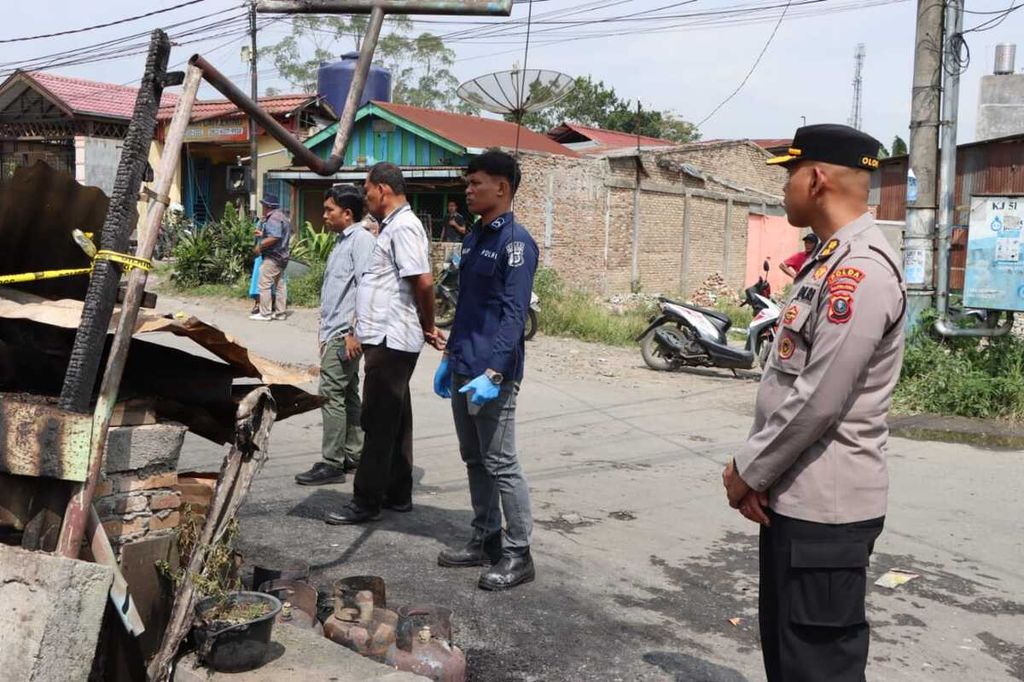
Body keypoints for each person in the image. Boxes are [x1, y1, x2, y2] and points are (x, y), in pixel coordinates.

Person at [721, 124, 906, 682]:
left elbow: (818, 399)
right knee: (790, 655)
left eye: (788, 175)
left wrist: (749, 471)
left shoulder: (860, 270)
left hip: (826, 511)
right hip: (797, 499)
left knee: (818, 666)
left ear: (817, 178)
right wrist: (766, 479)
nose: (783, 189)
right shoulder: (826, 261)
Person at [432, 150, 540, 591]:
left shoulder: (516, 242)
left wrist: (495, 373)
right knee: (474, 458)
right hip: (463, 364)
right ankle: (485, 538)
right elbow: (467, 307)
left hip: (492, 374)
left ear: (503, 187)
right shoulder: (475, 236)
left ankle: (519, 553)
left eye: (476, 183)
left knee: (501, 462)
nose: (468, 190)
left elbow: (515, 315)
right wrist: (447, 357)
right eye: (468, 183)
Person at [325, 162, 445, 525]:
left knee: (376, 421)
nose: (365, 196)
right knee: (395, 418)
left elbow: (423, 282)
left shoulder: (404, 227)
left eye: (367, 189)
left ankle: (366, 501)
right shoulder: (393, 226)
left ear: (382, 189)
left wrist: (429, 324)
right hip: (388, 336)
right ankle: (397, 493)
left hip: (391, 339)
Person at [296, 186, 377, 486]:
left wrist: (355, 332)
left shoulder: (361, 241)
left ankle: (332, 462)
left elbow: (367, 288)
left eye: (330, 210)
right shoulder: (342, 242)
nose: (325, 215)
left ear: (348, 213)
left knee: (330, 394)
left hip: (346, 334)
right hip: (336, 333)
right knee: (347, 394)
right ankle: (353, 455)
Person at [250, 194, 291, 321]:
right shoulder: (282, 216)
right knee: (280, 284)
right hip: (282, 256)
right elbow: (279, 234)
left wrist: (260, 246)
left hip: (273, 256)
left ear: (267, 206)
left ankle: (265, 313)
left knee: (264, 284)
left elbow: (275, 237)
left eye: (263, 205)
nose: (262, 207)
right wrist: (263, 234)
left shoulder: (273, 218)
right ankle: (280, 313)